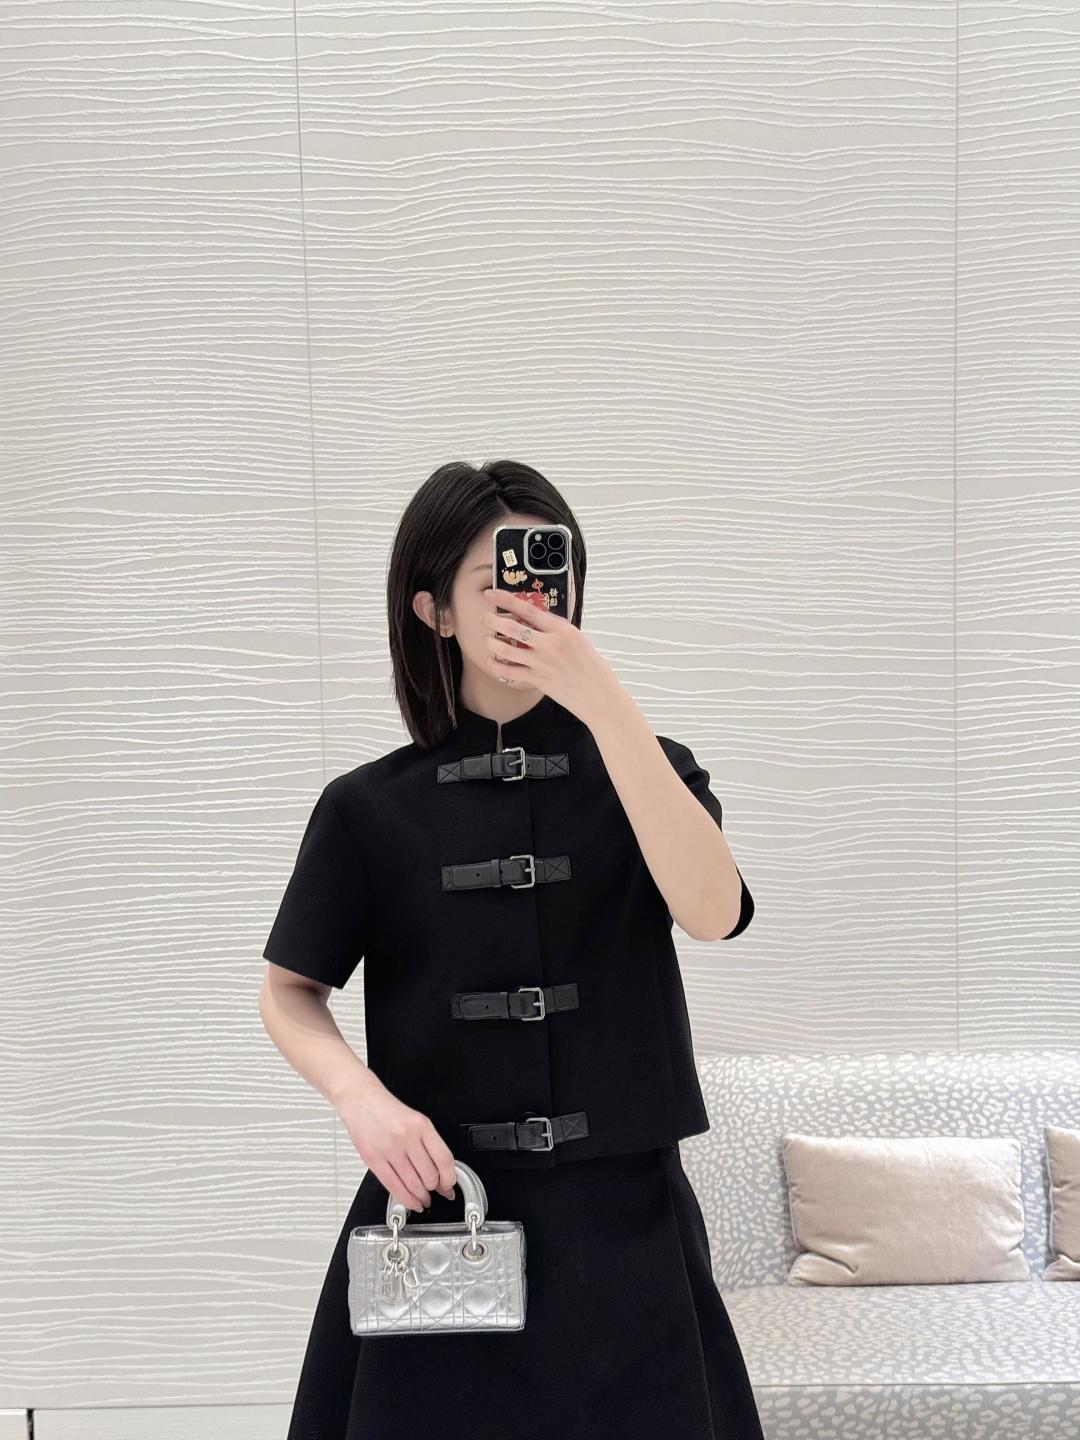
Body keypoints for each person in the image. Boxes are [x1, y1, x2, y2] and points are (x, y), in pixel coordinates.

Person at [259, 458, 765, 1440]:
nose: (533, 603)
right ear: (434, 610)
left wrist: (601, 697)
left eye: (549, 576)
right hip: (443, 1215)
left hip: (627, 1232)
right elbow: (288, 991)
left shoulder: (651, 774)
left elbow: (714, 912)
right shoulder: (367, 809)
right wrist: (362, 1102)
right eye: (498, 583)